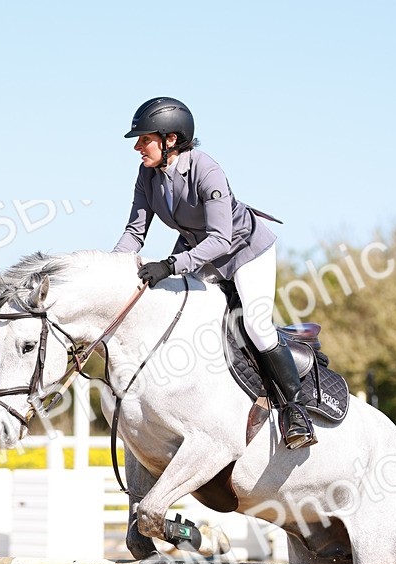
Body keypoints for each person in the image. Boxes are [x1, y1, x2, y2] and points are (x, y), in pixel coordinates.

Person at [113, 97, 316, 449]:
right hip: (200, 253)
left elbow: (221, 238)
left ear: (170, 139)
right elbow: (134, 232)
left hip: (244, 250)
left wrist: (171, 265)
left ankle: (294, 412)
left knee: (255, 325)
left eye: (144, 139)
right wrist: (111, 271)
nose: (137, 147)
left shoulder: (208, 170)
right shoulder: (148, 174)